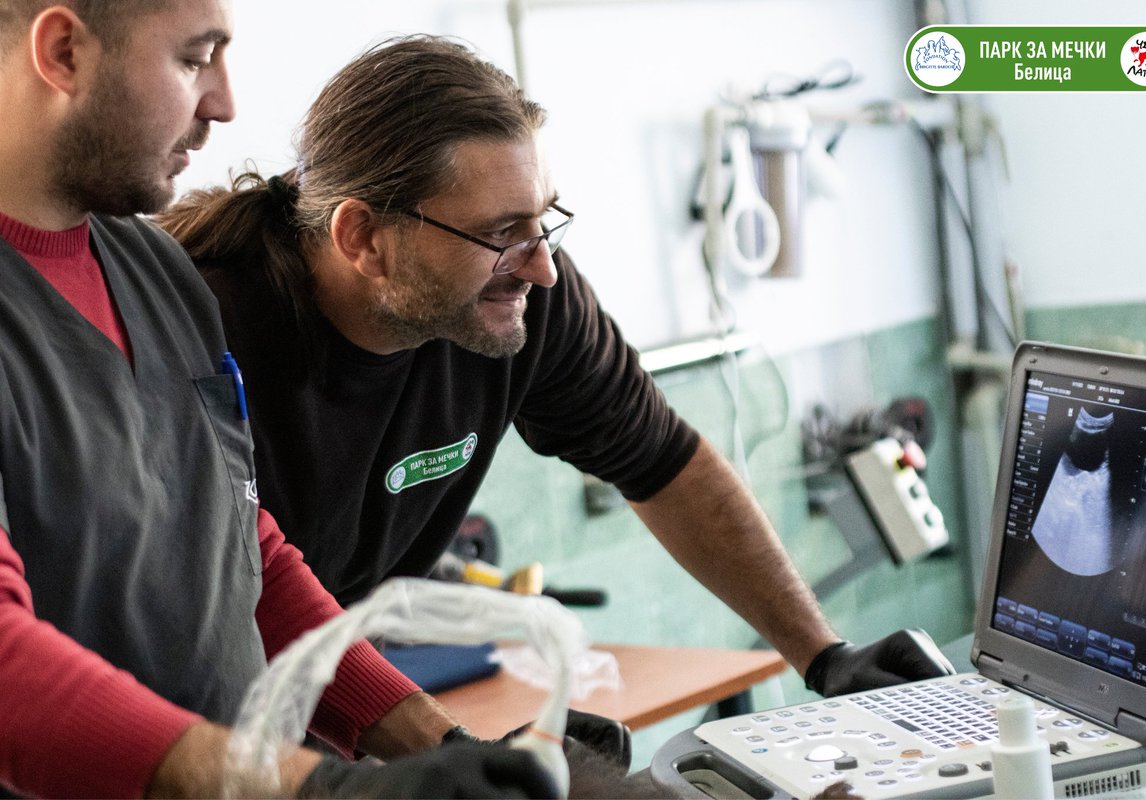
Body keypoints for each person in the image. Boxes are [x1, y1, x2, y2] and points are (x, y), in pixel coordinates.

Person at [160, 34, 954, 700]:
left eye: (544, 221)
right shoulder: (199, 334)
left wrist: (823, 655)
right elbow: (209, 618)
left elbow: (662, 462)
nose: (541, 266)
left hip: (329, 690)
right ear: (362, 238)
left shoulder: (524, 297)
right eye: (503, 231)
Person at [0, 3, 575, 797]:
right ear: (64, 52)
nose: (224, 103)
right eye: (195, 59)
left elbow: (242, 551)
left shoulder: (156, 274)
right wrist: (317, 787)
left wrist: (440, 746)